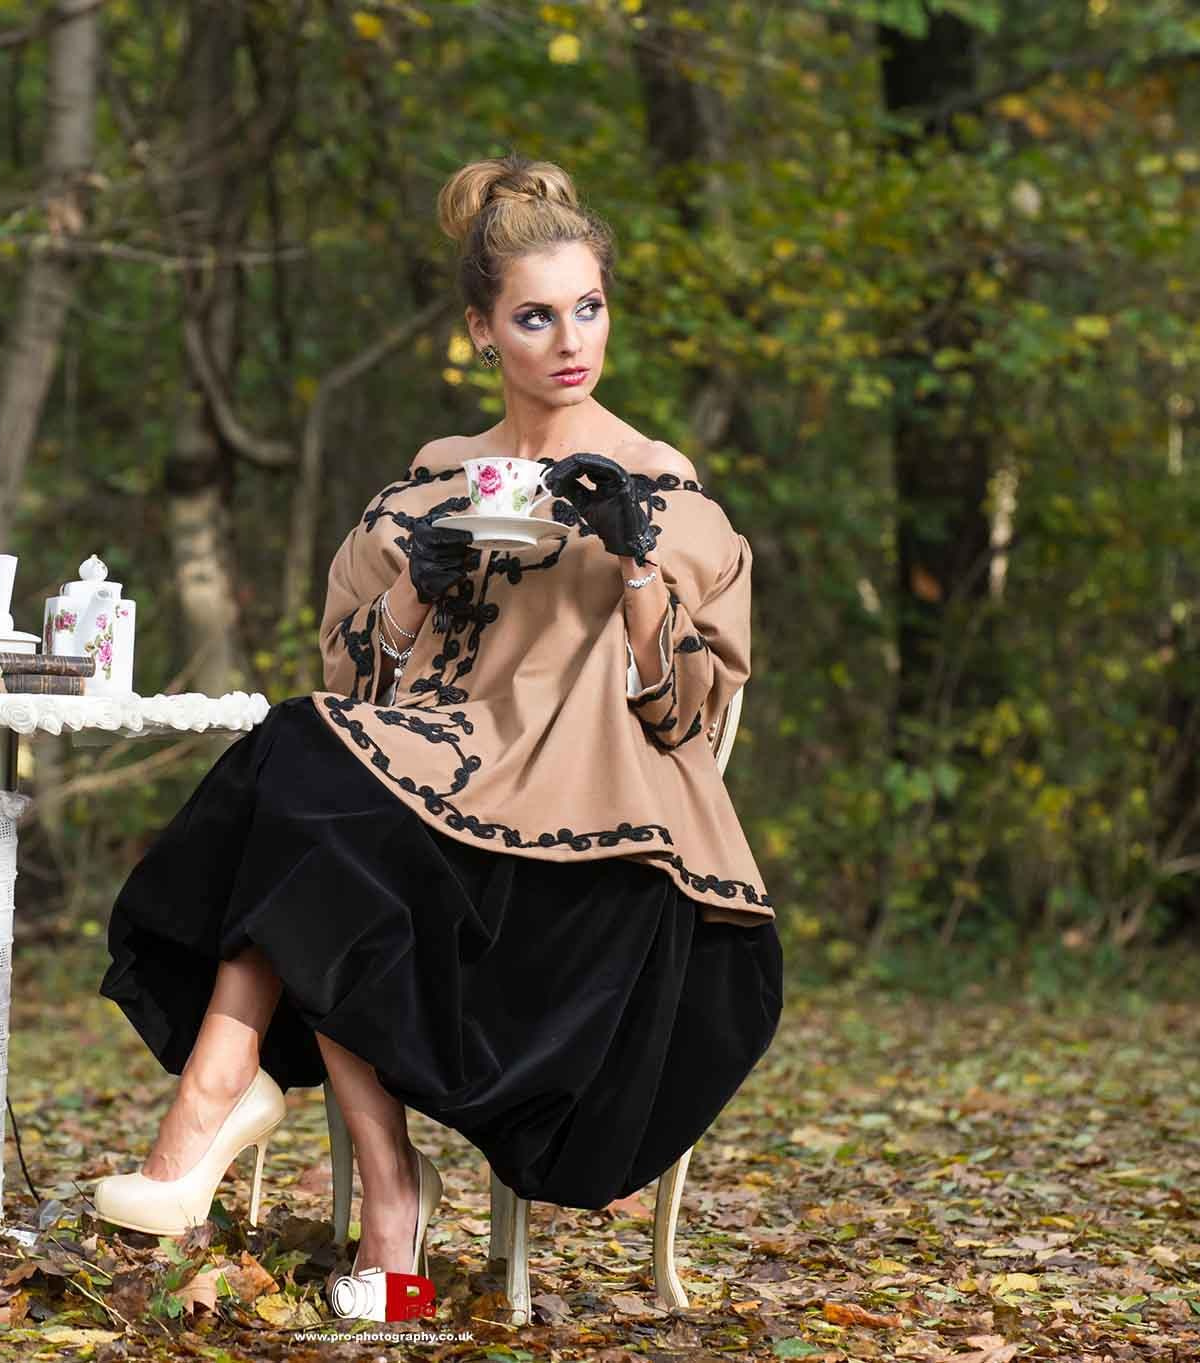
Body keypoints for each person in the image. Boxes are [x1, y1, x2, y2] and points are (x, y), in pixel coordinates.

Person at [92, 153, 783, 1291]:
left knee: (308, 799)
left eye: (589, 308)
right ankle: (378, 1201)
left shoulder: (660, 486)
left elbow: (681, 713)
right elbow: (355, 685)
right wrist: (417, 579)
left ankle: (227, 1104)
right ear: (480, 330)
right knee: (321, 802)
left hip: (591, 865)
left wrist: (636, 562)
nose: (571, 341)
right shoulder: (431, 482)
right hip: (415, 828)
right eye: (535, 316)